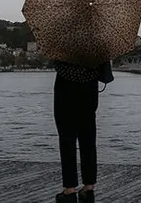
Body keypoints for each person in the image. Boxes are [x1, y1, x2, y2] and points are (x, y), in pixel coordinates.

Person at [53, 59, 111, 203]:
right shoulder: (97, 38)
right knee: (88, 137)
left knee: (66, 138)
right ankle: (89, 187)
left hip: (65, 83)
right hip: (89, 85)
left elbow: (55, 58)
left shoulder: (62, 37)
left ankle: (70, 189)